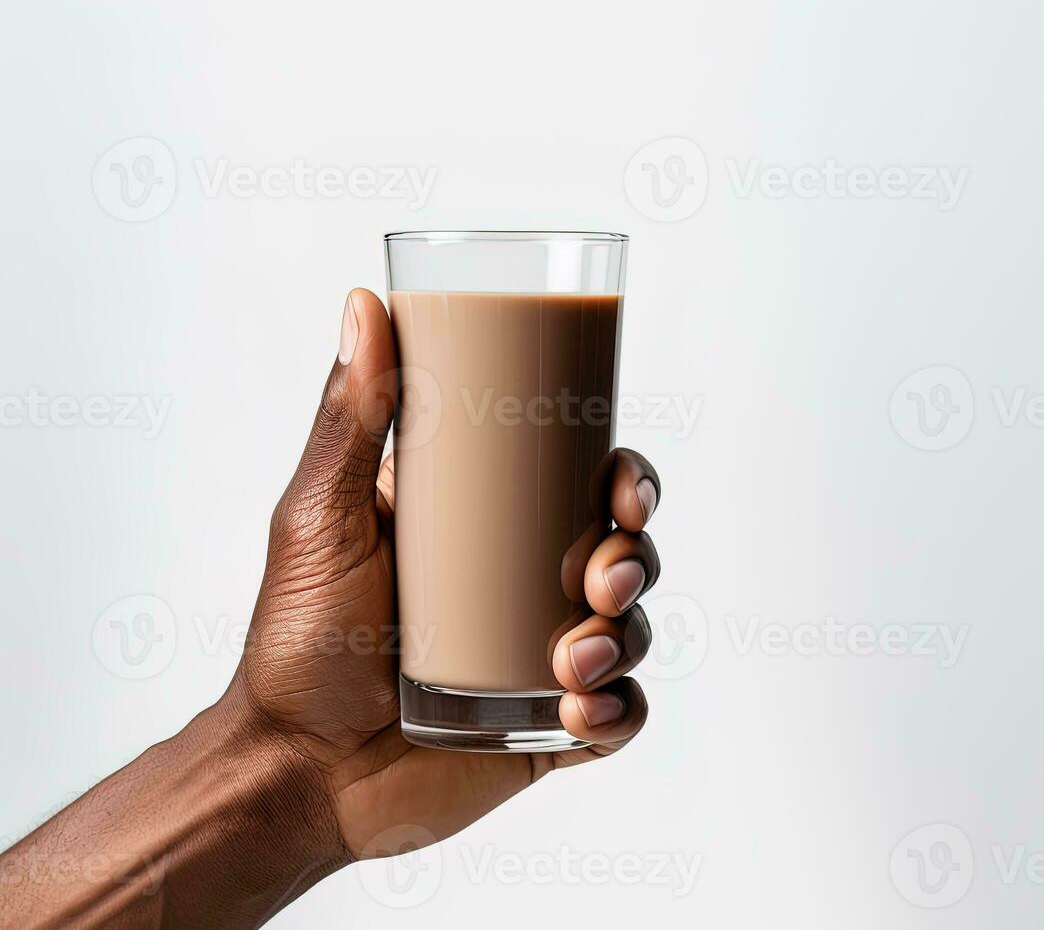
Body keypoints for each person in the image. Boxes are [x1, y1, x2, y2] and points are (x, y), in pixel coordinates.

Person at [0, 290, 661, 928]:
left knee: (604, 576)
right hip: (412, 707)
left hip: (445, 717)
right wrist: (297, 763)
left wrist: (307, 776)